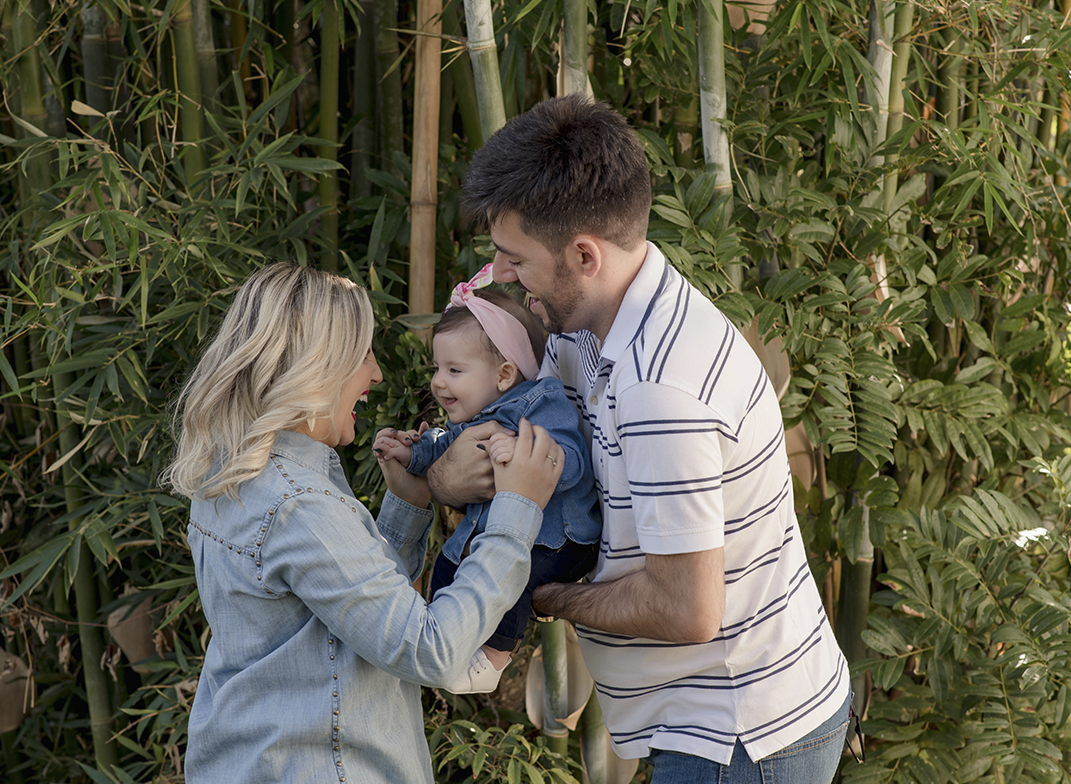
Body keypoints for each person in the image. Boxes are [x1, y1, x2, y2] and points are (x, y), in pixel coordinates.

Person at [426, 95, 851, 782]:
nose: (501, 275)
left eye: (514, 258)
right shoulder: (594, 326)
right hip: (730, 713)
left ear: (585, 254)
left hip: (739, 733)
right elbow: (492, 433)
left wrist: (532, 588)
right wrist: (446, 476)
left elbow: (686, 609)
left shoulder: (662, 392)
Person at [162, 263, 566, 784]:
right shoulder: (298, 504)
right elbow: (431, 649)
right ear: (318, 365)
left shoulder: (233, 473)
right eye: (364, 354)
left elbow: (353, 616)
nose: (375, 374)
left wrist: (409, 505)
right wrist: (517, 507)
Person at [374, 265, 601, 694]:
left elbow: (572, 460)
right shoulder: (476, 414)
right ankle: (450, 644)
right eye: (437, 368)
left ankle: (495, 659)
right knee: (449, 566)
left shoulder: (540, 402)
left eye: (454, 370)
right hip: (499, 533)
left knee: (513, 575)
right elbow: (445, 450)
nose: (439, 383)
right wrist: (412, 453)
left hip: (557, 540)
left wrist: (524, 453)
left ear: (503, 374)